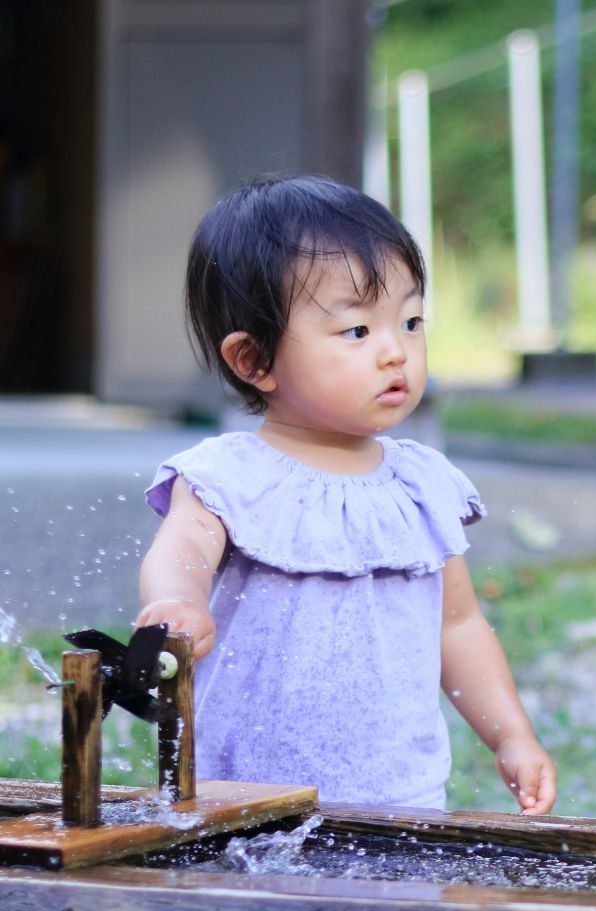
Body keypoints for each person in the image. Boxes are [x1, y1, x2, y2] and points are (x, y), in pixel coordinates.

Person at [136, 174, 556, 814]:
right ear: (254, 362)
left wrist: (511, 735)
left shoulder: (422, 484)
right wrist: (176, 602)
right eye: (358, 331)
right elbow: (184, 546)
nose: (396, 352)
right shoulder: (231, 473)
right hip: (248, 794)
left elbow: (460, 625)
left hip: (401, 797)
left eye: (411, 322)